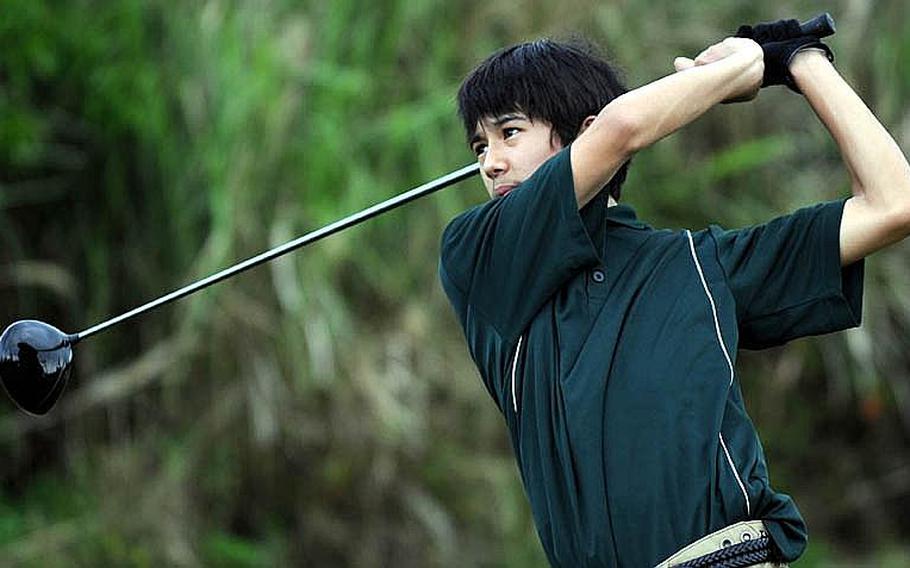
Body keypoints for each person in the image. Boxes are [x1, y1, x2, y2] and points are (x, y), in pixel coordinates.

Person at [438, 19, 910, 568]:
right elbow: (623, 127)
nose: (489, 162)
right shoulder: (481, 257)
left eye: (509, 133)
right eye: (480, 145)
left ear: (581, 132)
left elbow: (893, 203)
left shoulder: (701, 264)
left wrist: (801, 61)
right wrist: (743, 65)